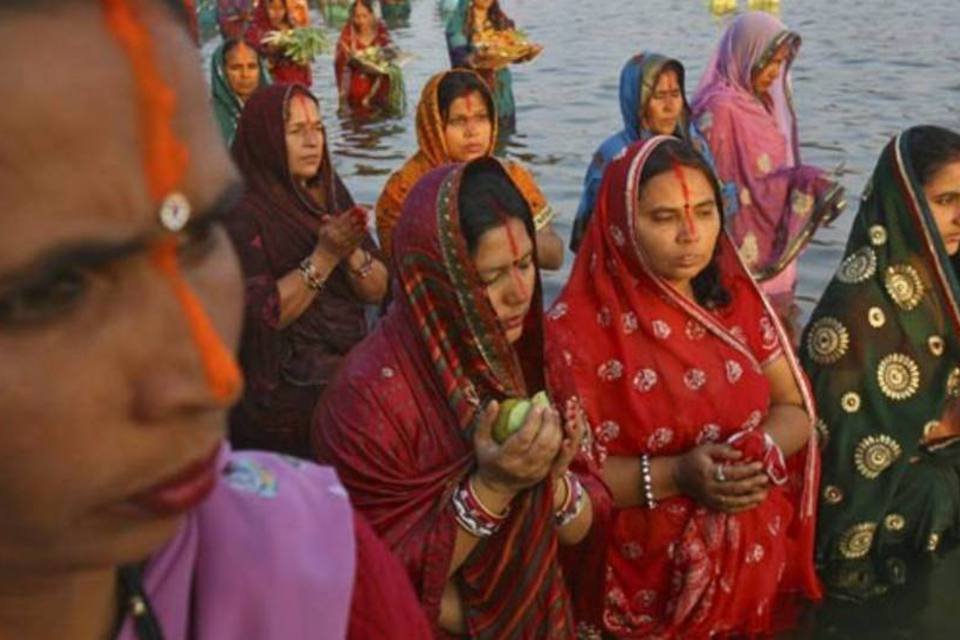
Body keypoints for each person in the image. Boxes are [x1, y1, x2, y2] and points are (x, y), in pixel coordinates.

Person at [0, 1, 432, 639]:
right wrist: (322, 259)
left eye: (200, 233)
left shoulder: (324, 575)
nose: (211, 379)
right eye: (57, 290)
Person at [313, 159, 606, 636]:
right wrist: (494, 488)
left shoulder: (536, 357)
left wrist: (552, 484)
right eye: (490, 278)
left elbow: (589, 523)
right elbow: (369, 579)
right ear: (437, 280)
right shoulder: (367, 401)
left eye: (526, 264)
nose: (519, 293)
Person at [547, 137, 822, 638]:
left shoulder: (735, 300)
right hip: (639, 581)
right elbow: (566, 484)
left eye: (703, 211)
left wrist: (756, 448)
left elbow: (795, 408)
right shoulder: (572, 336)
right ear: (622, 226)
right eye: (664, 217)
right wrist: (679, 475)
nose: (691, 234)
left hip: (752, 559)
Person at [801, 126, 960, 601]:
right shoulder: (857, 311)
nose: (959, 218)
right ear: (905, 203)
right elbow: (851, 453)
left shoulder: (946, 280)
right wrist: (943, 422)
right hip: (878, 495)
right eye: (946, 201)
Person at [226, 83, 388, 458]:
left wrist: (350, 256)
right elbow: (262, 315)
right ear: (266, 139)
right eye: (297, 131)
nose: (313, 141)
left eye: (318, 128)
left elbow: (379, 289)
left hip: (344, 358)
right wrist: (325, 257)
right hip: (279, 392)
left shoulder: (329, 191)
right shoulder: (241, 213)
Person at [692, 11, 844, 319]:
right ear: (746, 54)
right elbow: (725, 186)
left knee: (780, 327)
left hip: (768, 232)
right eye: (768, 62)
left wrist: (801, 184)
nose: (774, 72)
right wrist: (801, 183)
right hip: (737, 242)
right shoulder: (720, 109)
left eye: (779, 63)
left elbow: (764, 173)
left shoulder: (759, 102)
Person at [375, 69, 564, 269]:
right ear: (433, 126)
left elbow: (555, 258)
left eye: (481, 118)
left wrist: (507, 229)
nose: (472, 132)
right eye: (458, 121)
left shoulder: (511, 177)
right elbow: (399, 267)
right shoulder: (404, 188)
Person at [571, 52, 737, 252]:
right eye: (658, 97)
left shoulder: (693, 146)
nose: (670, 107)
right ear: (636, 102)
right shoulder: (615, 155)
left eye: (675, 95)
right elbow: (593, 231)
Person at [445, 0, 540, 135]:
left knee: (505, 135)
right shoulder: (458, 24)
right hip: (473, 91)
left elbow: (510, 51)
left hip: (502, 91)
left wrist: (525, 54)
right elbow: (460, 58)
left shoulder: (500, 20)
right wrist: (481, 56)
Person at [334, 0, 405, 117]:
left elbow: (390, 46)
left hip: (380, 90)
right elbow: (340, 60)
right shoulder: (348, 34)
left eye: (365, 16)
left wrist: (387, 53)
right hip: (356, 95)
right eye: (357, 17)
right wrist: (349, 57)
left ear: (372, 15)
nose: (361, 21)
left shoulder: (380, 28)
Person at [211, 38, 271, 145]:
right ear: (222, 71)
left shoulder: (274, 109)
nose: (245, 75)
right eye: (236, 67)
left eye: (252, 66)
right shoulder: (209, 116)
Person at [245, 0, 312, 86]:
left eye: (281, 8)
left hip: (296, 83)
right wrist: (271, 50)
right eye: (272, 8)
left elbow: (305, 59)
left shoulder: (293, 28)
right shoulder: (255, 31)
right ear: (264, 8)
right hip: (272, 84)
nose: (277, 13)